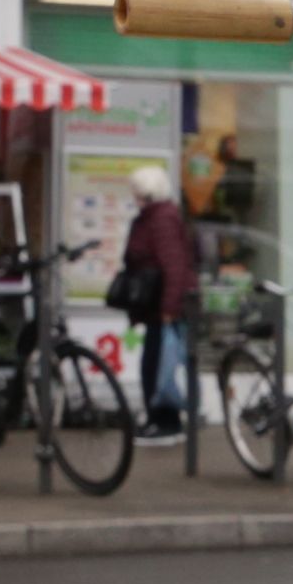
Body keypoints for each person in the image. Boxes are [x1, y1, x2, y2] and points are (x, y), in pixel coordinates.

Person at [113, 160, 203, 432]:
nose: (133, 196)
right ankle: (161, 418)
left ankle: (165, 420)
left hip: (165, 308)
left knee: (160, 364)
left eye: (136, 190)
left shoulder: (161, 218)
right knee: (156, 362)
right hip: (157, 306)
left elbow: (174, 266)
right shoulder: (154, 216)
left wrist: (169, 309)